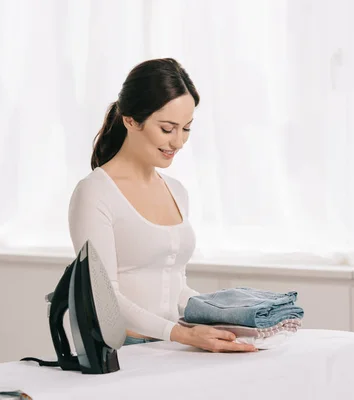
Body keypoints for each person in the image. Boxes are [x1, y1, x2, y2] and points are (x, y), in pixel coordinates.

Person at [68, 58, 257, 353]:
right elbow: (104, 297)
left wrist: (223, 321)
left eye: (186, 128)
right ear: (130, 120)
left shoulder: (177, 192)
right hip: (126, 351)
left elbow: (173, 286)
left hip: (174, 346)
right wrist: (183, 335)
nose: (178, 142)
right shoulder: (95, 193)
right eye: (168, 129)